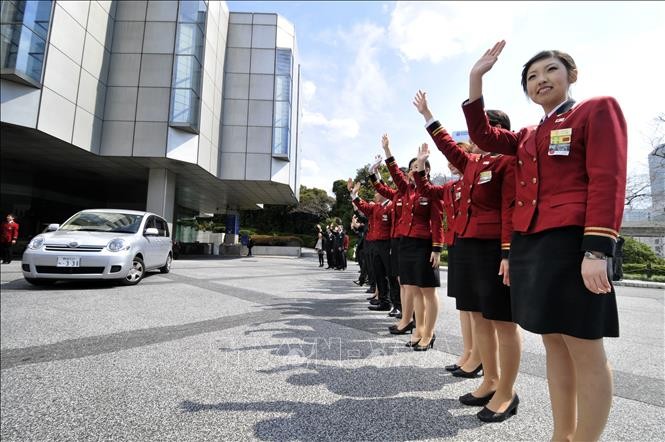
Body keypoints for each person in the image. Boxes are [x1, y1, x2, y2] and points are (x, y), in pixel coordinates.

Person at [462, 41, 627, 441]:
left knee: (585, 347)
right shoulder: (527, 134)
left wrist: (596, 249)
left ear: (571, 75)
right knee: (553, 343)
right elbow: (482, 134)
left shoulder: (595, 109)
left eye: (550, 70)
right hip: (532, 245)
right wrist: (475, 78)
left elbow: (608, 179)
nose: (541, 80)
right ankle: (561, 434)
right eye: (532, 77)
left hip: (574, 243)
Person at [380, 134, 444, 351]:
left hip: (423, 244)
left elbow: (437, 221)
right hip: (406, 243)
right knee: (414, 289)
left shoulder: (432, 192)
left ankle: (429, 332)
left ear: (426, 170)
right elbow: (395, 172)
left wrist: (437, 248)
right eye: (414, 166)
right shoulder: (406, 190)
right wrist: (388, 151)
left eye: (420, 166)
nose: (415, 169)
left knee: (428, 291)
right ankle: (418, 329)